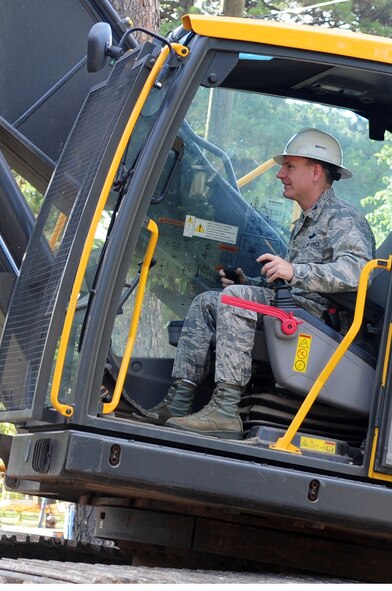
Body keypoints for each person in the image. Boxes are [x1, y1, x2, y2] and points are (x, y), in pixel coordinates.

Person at [133, 128, 376, 439]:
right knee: (209, 300)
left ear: (316, 172)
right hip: (297, 308)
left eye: (289, 166)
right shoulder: (307, 218)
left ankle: (224, 412)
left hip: (320, 322)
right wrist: (248, 281)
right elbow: (293, 280)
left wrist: (294, 271)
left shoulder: (343, 219)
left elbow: (358, 272)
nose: (280, 174)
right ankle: (178, 403)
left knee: (235, 301)